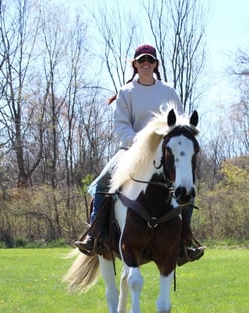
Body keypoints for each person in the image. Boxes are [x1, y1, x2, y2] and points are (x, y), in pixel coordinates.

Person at [74, 44, 204, 265]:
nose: (146, 63)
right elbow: (121, 125)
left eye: (150, 60)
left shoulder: (168, 91)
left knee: (187, 187)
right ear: (135, 64)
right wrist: (140, 145)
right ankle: (94, 234)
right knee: (102, 183)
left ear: (155, 65)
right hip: (131, 151)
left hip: (165, 154)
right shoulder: (126, 92)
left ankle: (185, 239)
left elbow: (179, 123)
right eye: (142, 60)